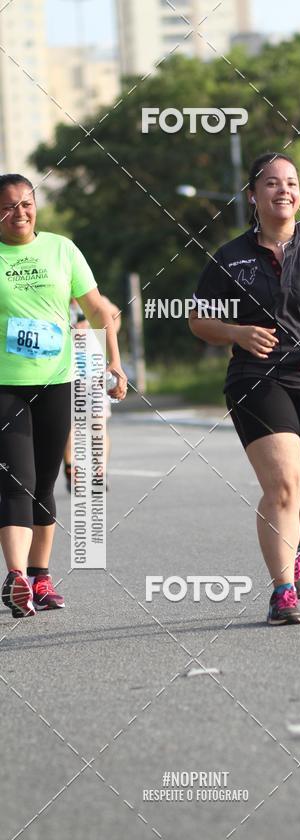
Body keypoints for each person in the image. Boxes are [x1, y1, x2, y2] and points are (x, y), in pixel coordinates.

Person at [188, 152, 300, 625]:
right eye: (271, 183)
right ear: (253, 195)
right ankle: (283, 590)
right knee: (286, 485)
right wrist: (235, 333)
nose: (283, 190)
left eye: (290, 182)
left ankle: (288, 550)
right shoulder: (230, 257)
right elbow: (198, 320)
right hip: (256, 379)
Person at [0, 174, 127, 618]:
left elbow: (97, 309)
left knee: (44, 482)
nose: (19, 213)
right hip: (4, 385)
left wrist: (113, 360)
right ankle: (16, 578)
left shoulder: (61, 249)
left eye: (26, 204)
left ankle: (40, 575)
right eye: (8, 206)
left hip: (57, 380)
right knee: (17, 477)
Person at [64, 297, 122, 492]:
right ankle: (72, 468)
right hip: (67, 373)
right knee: (71, 425)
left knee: (98, 422)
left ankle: (100, 471)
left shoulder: (96, 301)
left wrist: (91, 323)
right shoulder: (58, 299)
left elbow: (115, 314)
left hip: (95, 373)